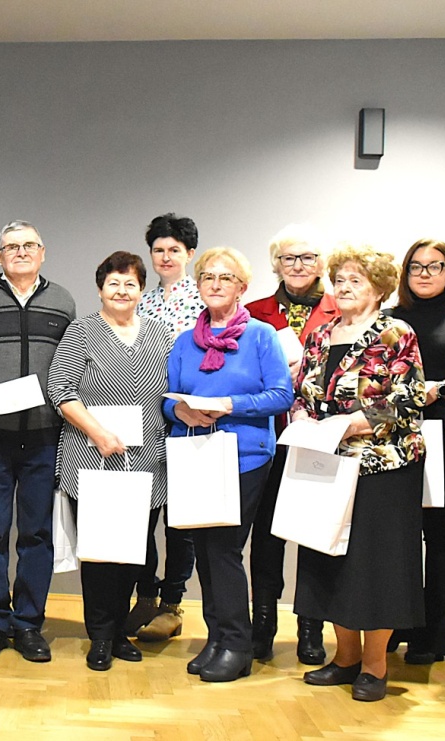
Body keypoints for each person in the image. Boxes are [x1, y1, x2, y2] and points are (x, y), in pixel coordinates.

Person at [292, 243, 426, 702]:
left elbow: (409, 399)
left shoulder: (396, 333)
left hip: (382, 467)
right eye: (340, 279)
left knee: (376, 567)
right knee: (329, 561)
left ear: (379, 288)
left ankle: (375, 665)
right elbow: (305, 391)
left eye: (356, 280)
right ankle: (344, 658)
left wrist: (355, 421)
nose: (345, 288)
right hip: (326, 462)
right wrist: (301, 417)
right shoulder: (321, 333)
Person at [162, 247, 292, 681]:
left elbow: (281, 396)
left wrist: (228, 404)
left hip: (245, 456)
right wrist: (179, 411)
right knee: (203, 551)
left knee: (225, 550)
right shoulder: (184, 342)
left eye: (226, 277)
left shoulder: (260, 336)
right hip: (195, 453)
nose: (216, 284)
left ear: (242, 287)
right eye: (208, 277)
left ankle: (238, 644)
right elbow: (168, 396)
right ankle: (216, 637)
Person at [0, 220, 76, 662]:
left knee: (37, 534)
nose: (21, 252)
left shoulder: (61, 301)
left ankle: (28, 624)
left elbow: (73, 365)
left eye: (29, 246)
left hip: (45, 435)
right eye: (11, 247)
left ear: (42, 253)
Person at [47, 251, 174, 671]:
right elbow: (60, 389)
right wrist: (98, 432)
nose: (122, 291)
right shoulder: (81, 332)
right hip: (93, 458)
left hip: (147, 462)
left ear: (141, 290)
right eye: (113, 283)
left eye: (130, 284)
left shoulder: (160, 334)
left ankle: (121, 631)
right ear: (100, 288)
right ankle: (100, 636)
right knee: (101, 556)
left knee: (133, 555)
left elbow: (172, 393)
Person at [244, 224, 339, 663]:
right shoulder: (253, 312)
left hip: (323, 440)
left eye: (306, 258)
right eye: (288, 258)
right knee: (265, 536)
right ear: (275, 265)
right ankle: (262, 624)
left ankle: (310, 628)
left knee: (315, 534)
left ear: (321, 264)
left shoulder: (342, 310)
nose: (297, 266)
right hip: (268, 438)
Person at [384, 239, 445, 666]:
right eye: (416, 266)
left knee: (440, 539)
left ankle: (435, 635)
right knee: (398, 537)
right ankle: (402, 622)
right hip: (396, 437)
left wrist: (443, 388)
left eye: (434, 266)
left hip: (443, 438)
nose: (424, 273)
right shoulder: (390, 319)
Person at [127, 212, 202, 642]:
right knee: (142, 515)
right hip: (144, 419)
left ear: (190, 254)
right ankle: (145, 596)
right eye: (158, 249)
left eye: (174, 249)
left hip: (189, 422)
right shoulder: (142, 300)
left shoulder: (204, 301)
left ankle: (173, 603)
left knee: (181, 522)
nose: (166, 256)